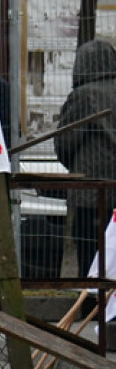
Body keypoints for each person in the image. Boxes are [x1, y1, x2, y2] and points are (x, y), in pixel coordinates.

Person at [55, 39, 116, 278]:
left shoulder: (84, 95)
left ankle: (92, 303)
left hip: (89, 190)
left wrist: (73, 162)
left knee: (90, 252)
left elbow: (65, 140)